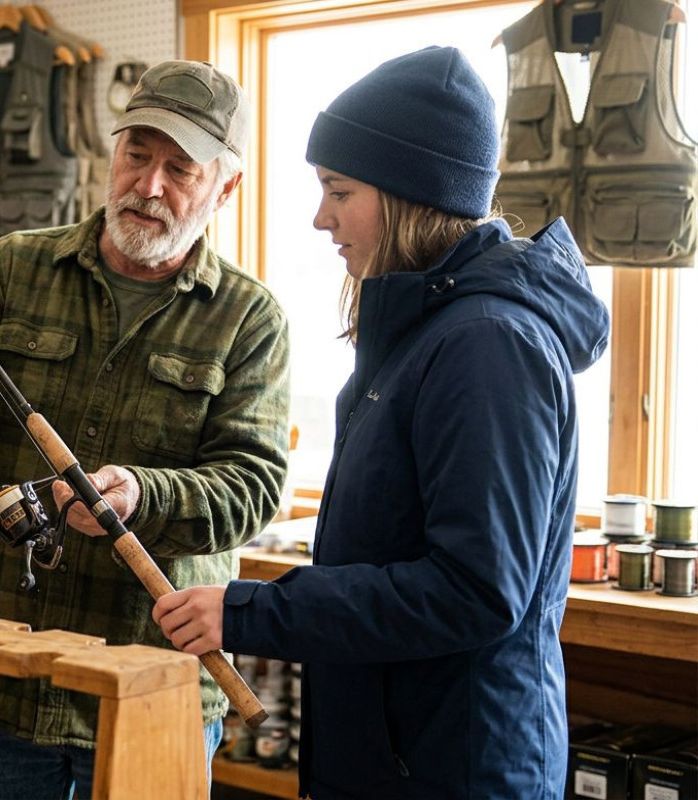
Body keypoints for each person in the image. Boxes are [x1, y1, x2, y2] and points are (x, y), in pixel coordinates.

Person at [152, 47, 610, 799]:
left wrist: (254, 611)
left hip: (450, 767)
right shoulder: (424, 329)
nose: (319, 216)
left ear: (409, 195)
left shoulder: (487, 345)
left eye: (339, 190)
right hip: (392, 754)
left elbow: (474, 592)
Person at [0, 60, 291, 798]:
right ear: (112, 154)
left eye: (180, 169)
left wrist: (140, 495)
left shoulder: (249, 319)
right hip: (2, 678)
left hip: (150, 690)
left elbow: (251, 490)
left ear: (225, 188)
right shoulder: (9, 269)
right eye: (137, 154)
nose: (149, 186)